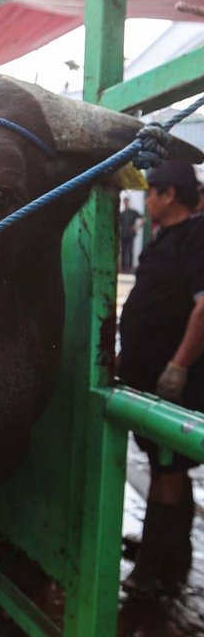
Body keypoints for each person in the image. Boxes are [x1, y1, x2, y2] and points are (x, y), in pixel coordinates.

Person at [118, 160, 204, 599]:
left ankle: (153, 569)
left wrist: (179, 365)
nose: (146, 197)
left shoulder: (195, 236)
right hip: (152, 378)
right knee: (166, 465)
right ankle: (174, 555)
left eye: (152, 190)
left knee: (168, 470)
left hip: (173, 382)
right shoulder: (166, 239)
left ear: (170, 194)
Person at [119, 196, 142, 273]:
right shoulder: (122, 213)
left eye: (127, 202)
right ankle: (123, 268)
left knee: (130, 251)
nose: (126, 203)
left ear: (129, 202)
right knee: (123, 251)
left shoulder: (133, 212)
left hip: (131, 234)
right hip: (123, 234)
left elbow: (143, 218)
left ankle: (130, 268)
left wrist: (136, 227)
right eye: (125, 202)